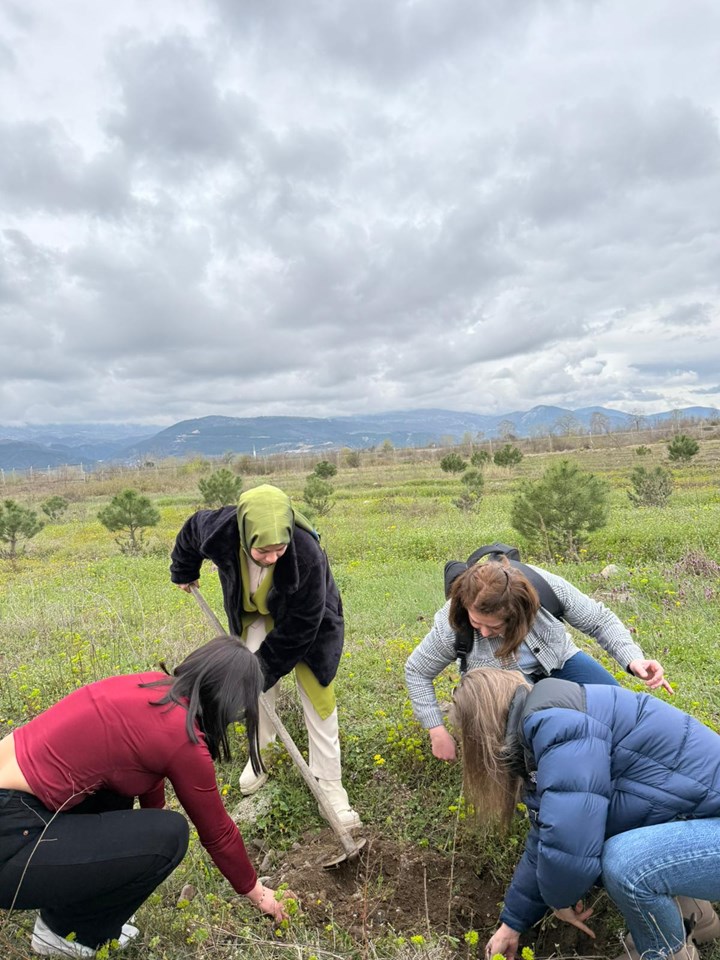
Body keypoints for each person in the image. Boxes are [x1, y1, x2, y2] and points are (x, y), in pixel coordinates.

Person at [0, 636, 295, 959]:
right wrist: (258, 894)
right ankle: (64, 933)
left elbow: (144, 763)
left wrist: (148, 827)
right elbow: (218, 833)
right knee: (170, 835)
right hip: (12, 832)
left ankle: (76, 916)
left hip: (19, 812)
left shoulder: (152, 688)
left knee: (123, 802)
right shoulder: (182, 739)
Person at [450, 668, 720, 960]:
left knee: (624, 862)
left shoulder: (559, 725)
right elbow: (547, 834)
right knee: (635, 839)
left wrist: (560, 900)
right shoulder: (552, 722)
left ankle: (667, 954)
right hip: (706, 825)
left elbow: (570, 838)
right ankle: (699, 919)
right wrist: (512, 923)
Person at [170, 483, 359, 828]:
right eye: (263, 551)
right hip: (255, 614)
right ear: (245, 535)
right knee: (254, 685)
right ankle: (262, 753)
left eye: (279, 549)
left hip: (310, 624)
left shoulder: (306, 553)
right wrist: (184, 569)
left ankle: (331, 786)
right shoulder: (221, 529)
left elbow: (302, 627)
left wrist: (261, 669)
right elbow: (192, 530)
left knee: (317, 695)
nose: (272, 558)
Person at [405, 556, 671, 762]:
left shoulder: (544, 588)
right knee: (534, 743)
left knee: (617, 706)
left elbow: (599, 620)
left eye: (494, 626)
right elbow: (417, 671)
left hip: (558, 662)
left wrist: (633, 659)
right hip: (501, 689)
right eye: (477, 623)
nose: (484, 633)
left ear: (518, 614)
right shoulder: (450, 624)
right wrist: (436, 731)